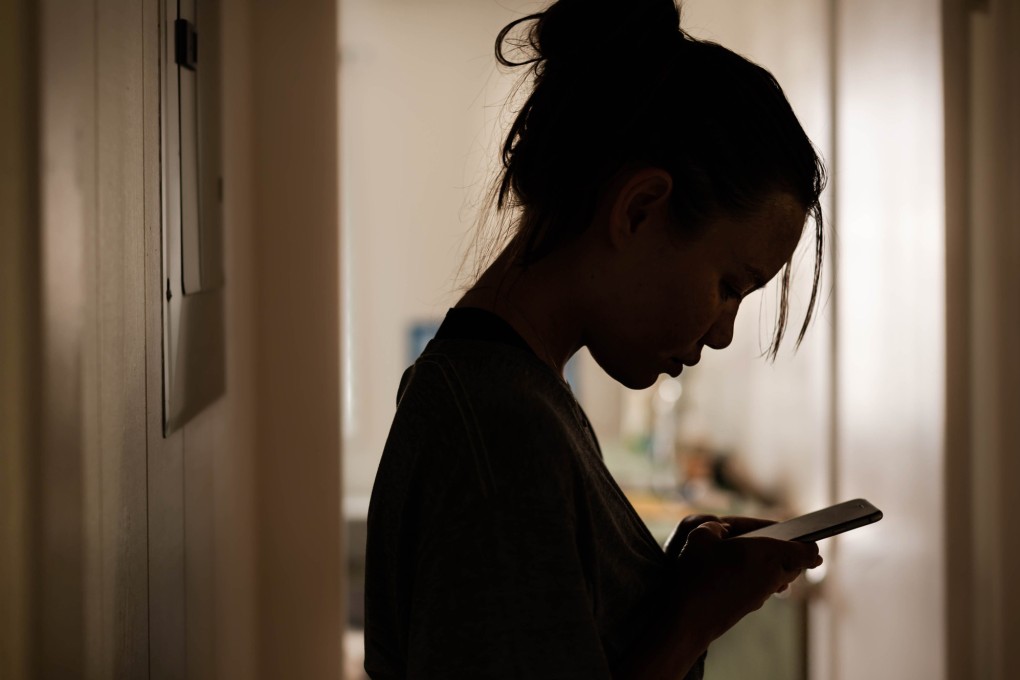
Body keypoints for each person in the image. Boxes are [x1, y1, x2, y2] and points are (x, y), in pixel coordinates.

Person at [364, 0, 826, 677]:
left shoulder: (516, 396)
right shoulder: (501, 429)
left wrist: (677, 585)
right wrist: (692, 619)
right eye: (730, 284)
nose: (724, 333)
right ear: (639, 210)